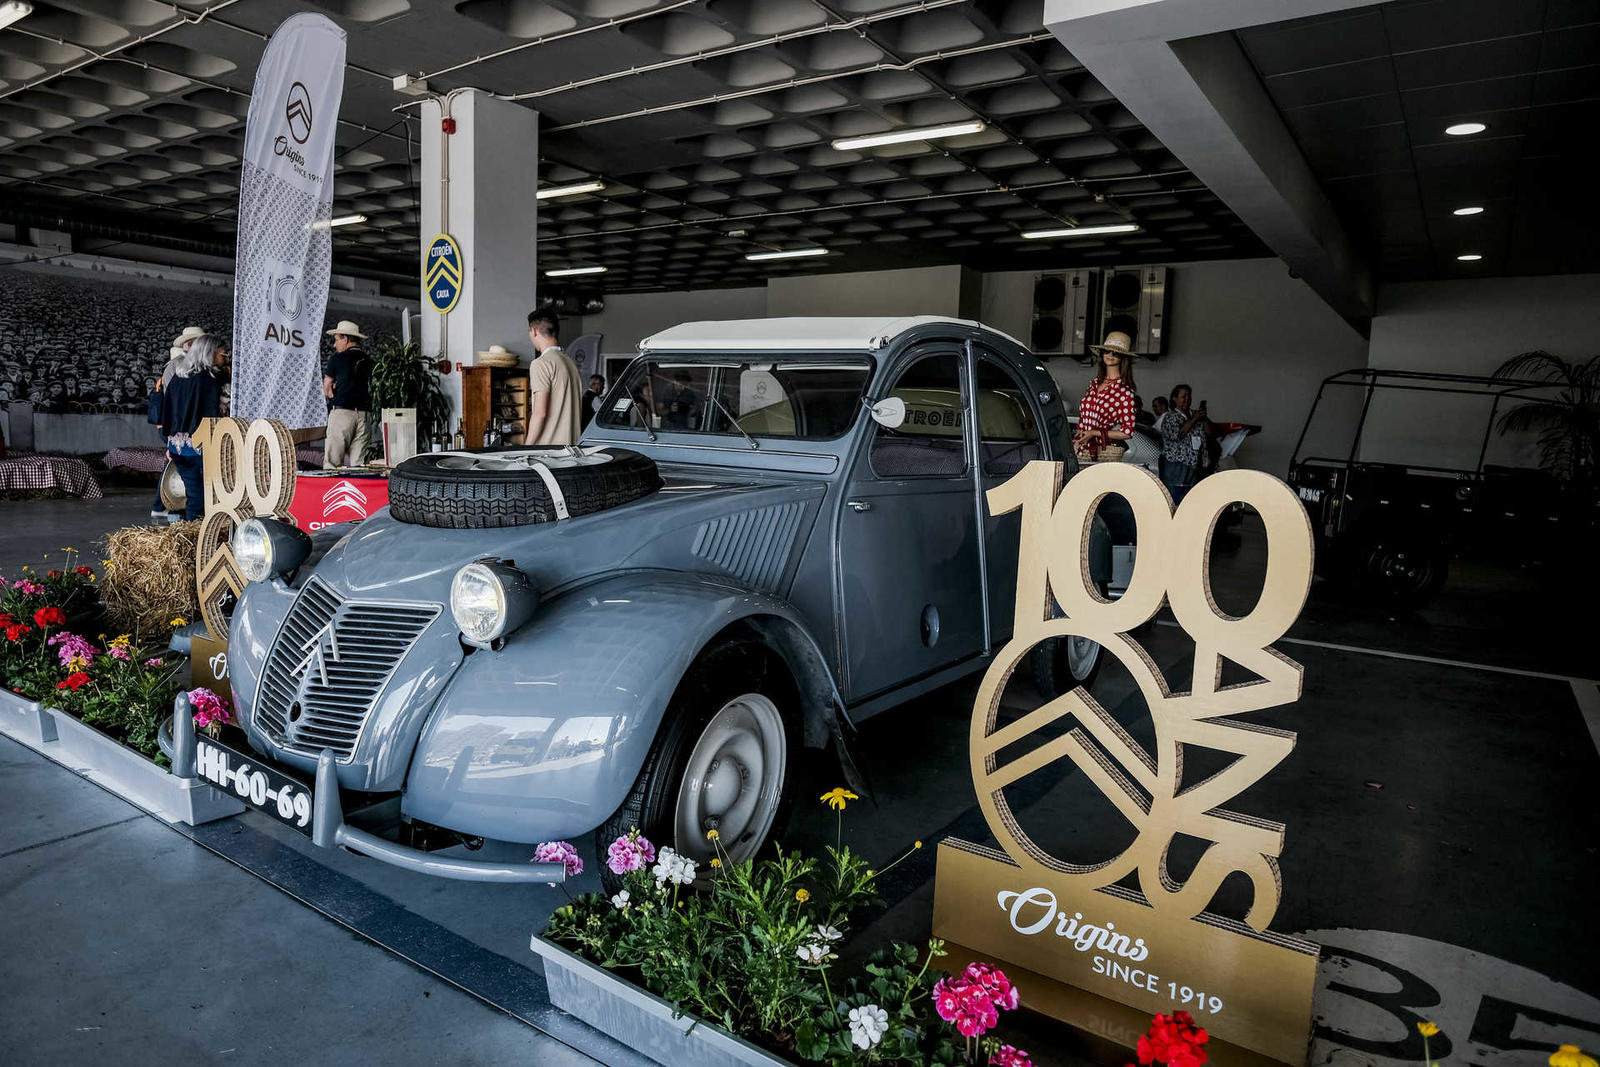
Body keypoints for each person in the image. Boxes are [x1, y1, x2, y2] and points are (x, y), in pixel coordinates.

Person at [159, 334, 223, 521]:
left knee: (193, 492)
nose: (223, 357)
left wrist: (168, 443)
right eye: (222, 353)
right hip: (200, 447)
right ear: (210, 353)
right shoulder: (209, 380)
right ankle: (199, 535)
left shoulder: (178, 377)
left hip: (177, 445)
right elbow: (212, 417)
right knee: (204, 496)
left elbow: (167, 410)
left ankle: (190, 531)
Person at [151, 326, 205, 519]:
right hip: (177, 427)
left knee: (176, 467)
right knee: (176, 467)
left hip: (177, 427)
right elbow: (173, 401)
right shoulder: (178, 366)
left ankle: (165, 508)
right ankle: (169, 507)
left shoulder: (188, 365)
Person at [1073, 331, 1139, 459]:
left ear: (1122, 358)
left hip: (1102, 452)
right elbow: (1083, 419)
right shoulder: (1094, 385)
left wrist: (1093, 433)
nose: (1110, 355)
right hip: (1080, 449)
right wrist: (1079, 436)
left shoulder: (1124, 392)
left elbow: (1127, 432)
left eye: (1116, 353)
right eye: (1106, 351)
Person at [522, 308, 582, 446]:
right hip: (572, 450)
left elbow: (540, 413)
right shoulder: (571, 363)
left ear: (534, 331)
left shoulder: (541, 364)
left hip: (548, 454)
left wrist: (525, 448)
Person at [323, 320, 371, 468]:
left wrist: (335, 391)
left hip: (342, 413)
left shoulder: (337, 359)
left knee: (332, 463)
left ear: (346, 339)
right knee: (359, 465)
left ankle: (331, 491)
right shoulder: (369, 361)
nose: (334, 344)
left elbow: (327, 388)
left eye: (337, 339)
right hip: (364, 415)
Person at [1156, 383, 1208, 503]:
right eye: (1183, 396)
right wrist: (1194, 419)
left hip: (1193, 464)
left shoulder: (1192, 415)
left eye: (1189, 396)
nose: (1187, 399)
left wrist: (1203, 418)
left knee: (1188, 499)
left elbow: (1209, 433)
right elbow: (1179, 434)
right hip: (1176, 465)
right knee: (1174, 498)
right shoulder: (1170, 417)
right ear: (1175, 399)